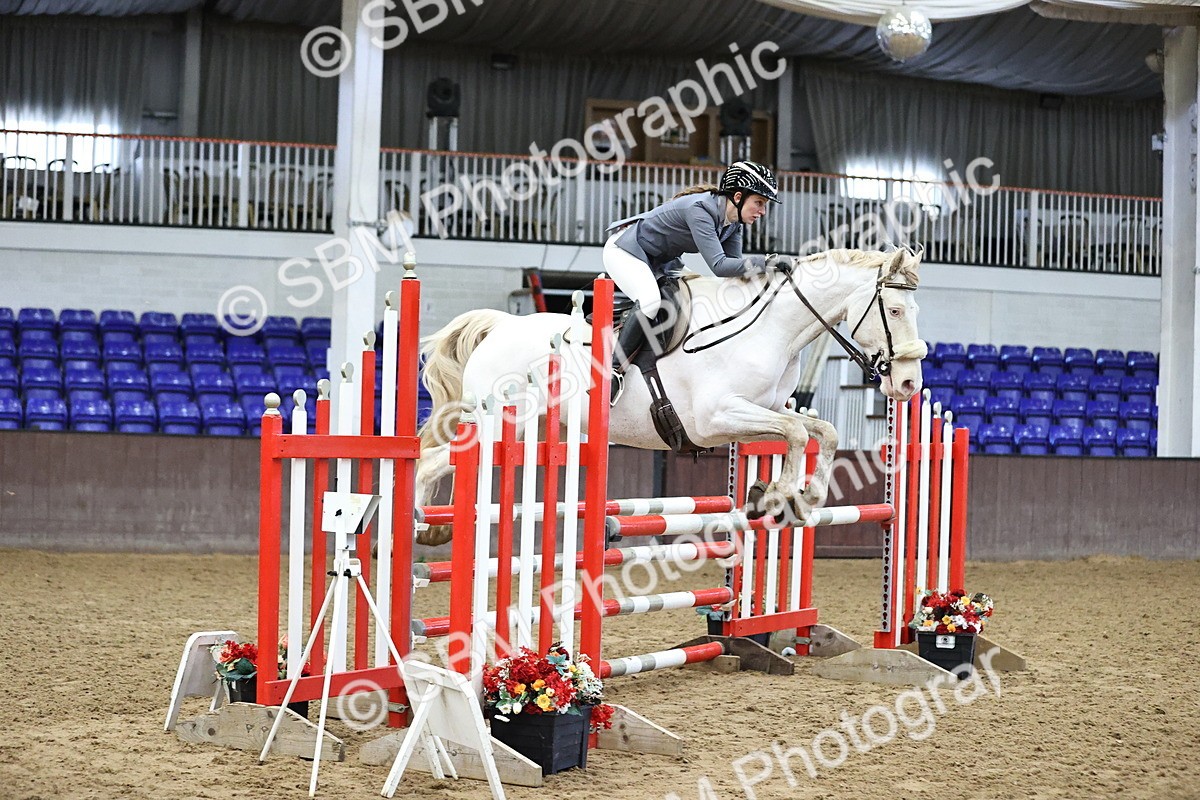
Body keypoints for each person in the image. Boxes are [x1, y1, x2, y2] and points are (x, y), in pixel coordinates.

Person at [602, 160, 783, 384]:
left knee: (697, 293)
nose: (763, 211)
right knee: (650, 301)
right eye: (759, 202)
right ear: (738, 197)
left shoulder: (733, 223)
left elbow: (732, 270)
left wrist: (770, 274)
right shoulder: (700, 210)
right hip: (626, 250)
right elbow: (719, 266)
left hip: (661, 260)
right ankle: (613, 371)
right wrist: (768, 262)